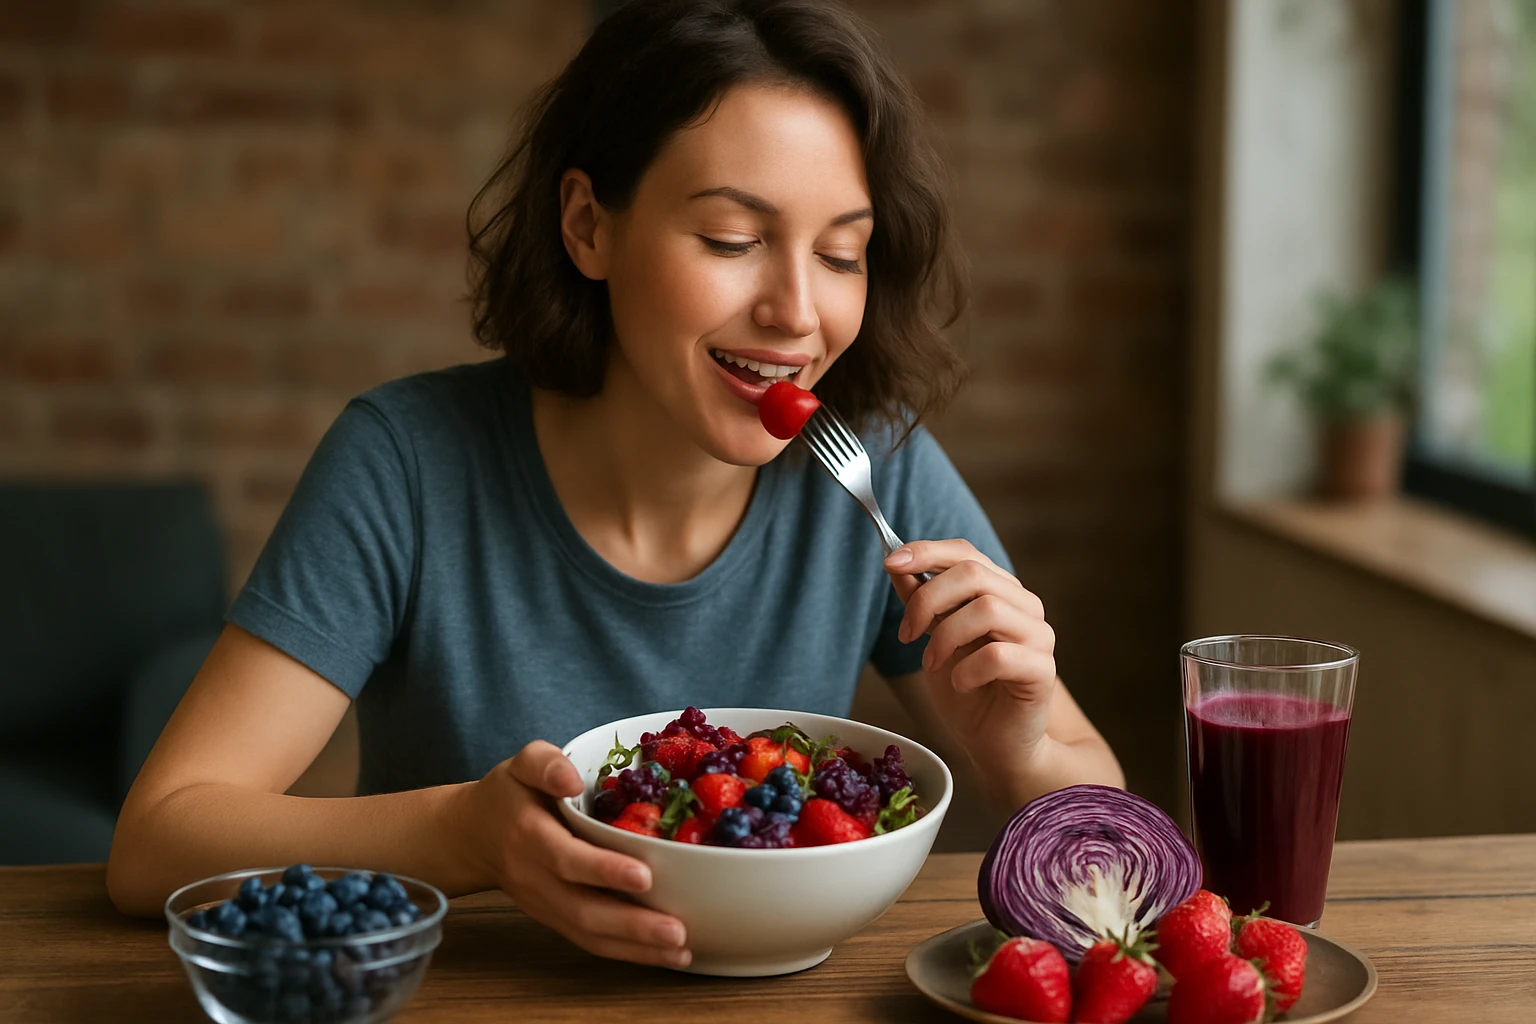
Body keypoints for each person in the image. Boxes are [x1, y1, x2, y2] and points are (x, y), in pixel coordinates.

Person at [107, 0, 1122, 969]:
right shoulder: (407, 461)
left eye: (841, 253)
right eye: (733, 240)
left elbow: (1111, 849)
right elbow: (155, 843)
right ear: (588, 224)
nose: (797, 312)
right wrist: (463, 832)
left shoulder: (872, 468)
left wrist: (1021, 747)